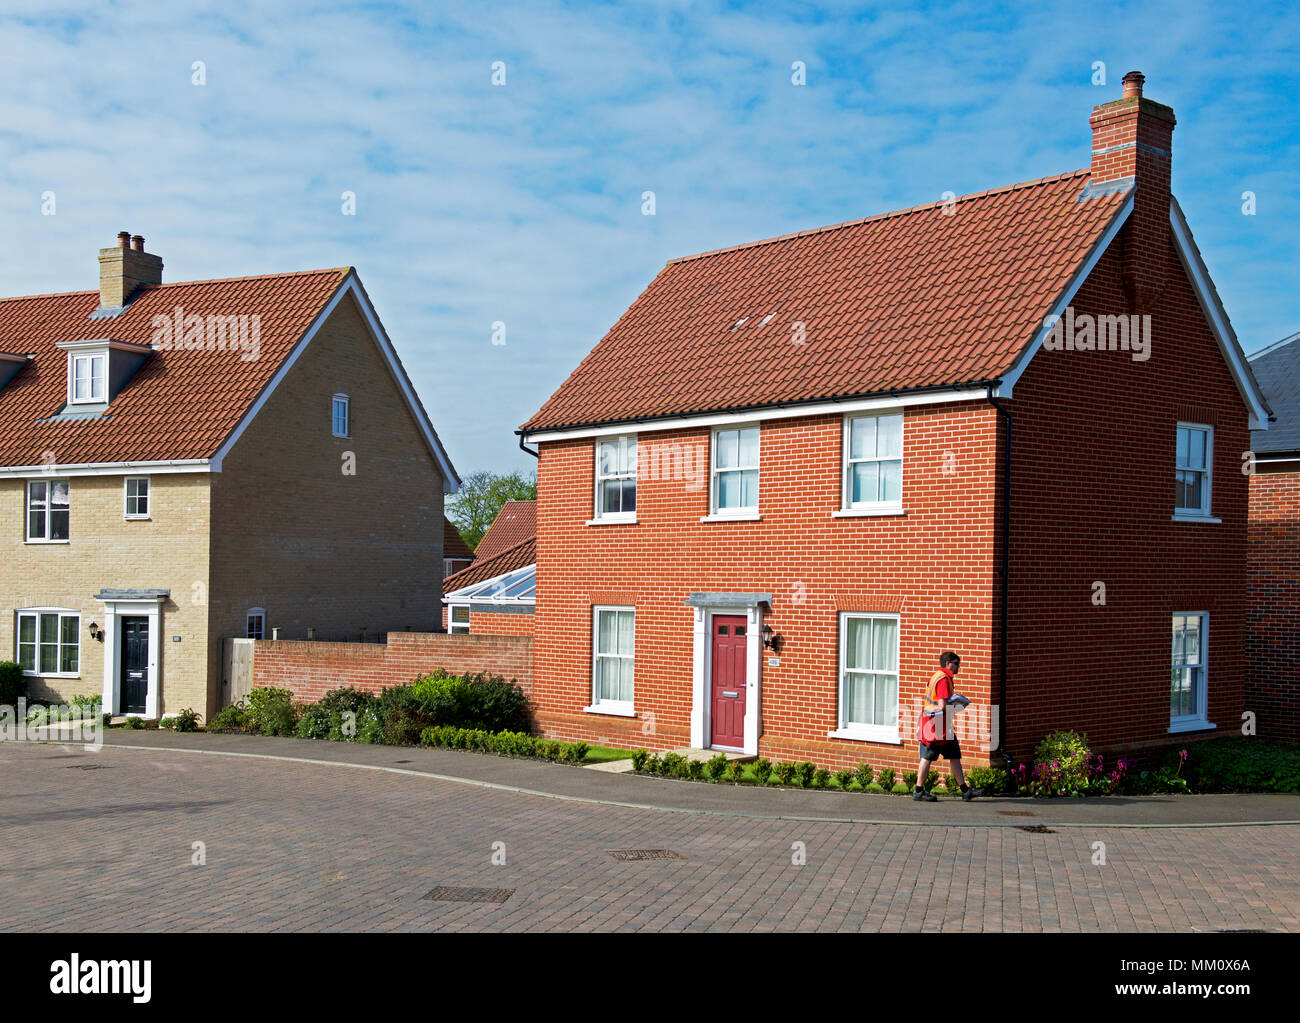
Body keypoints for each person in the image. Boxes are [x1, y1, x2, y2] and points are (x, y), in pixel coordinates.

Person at [912, 651, 983, 802]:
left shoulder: (937, 675)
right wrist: (957, 705)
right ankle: (918, 791)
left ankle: (965, 790)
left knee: (954, 755)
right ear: (948, 663)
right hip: (936, 727)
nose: (959, 667)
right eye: (957, 664)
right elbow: (942, 705)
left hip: (938, 725)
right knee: (927, 757)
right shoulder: (943, 680)